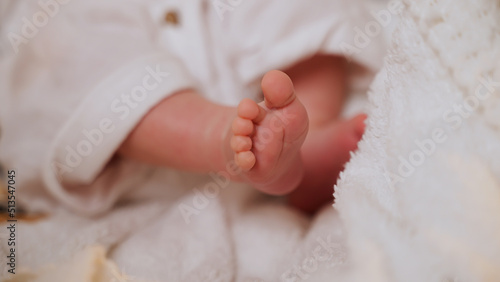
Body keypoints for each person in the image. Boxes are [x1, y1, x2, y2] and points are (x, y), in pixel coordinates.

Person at [0, 0, 384, 216]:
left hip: (224, 38)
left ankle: (307, 136)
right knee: (71, 52)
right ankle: (221, 138)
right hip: (137, 123)